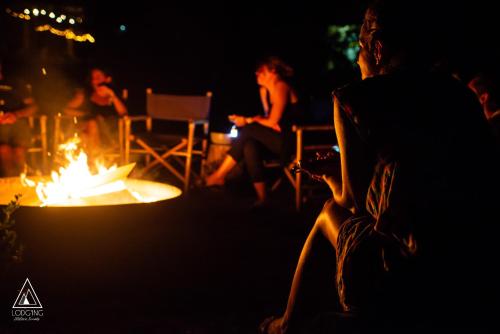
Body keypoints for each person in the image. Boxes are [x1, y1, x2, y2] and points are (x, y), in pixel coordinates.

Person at [259, 1, 499, 333]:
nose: (358, 58)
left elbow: (352, 204)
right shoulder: (457, 94)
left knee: (329, 211)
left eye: (360, 48)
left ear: (378, 48)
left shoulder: (355, 98)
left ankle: (288, 324)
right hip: (472, 253)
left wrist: (330, 176)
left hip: (408, 264)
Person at [205, 57, 303, 206]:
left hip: (291, 141)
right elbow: (268, 119)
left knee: (249, 129)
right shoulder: (265, 90)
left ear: (273, 71)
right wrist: (256, 119)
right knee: (249, 145)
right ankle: (263, 198)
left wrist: (249, 120)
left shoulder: (281, 86)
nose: (257, 74)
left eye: (261, 71)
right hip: (275, 139)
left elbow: (273, 121)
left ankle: (219, 175)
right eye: (257, 71)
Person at [64, 66, 127, 157]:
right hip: (87, 130)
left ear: (108, 79)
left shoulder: (114, 96)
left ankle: (92, 160)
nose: (95, 81)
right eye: (93, 78)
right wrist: (83, 114)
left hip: (110, 134)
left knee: (89, 130)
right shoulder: (85, 95)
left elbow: (124, 113)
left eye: (98, 77)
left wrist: (112, 95)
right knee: (90, 126)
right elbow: (65, 110)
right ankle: (92, 160)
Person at [0, 60, 38, 176]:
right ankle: (11, 181)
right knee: (4, 150)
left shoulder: (15, 83)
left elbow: (34, 107)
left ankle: (21, 181)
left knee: (19, 151)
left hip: (18, 121)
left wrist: (16, 115)